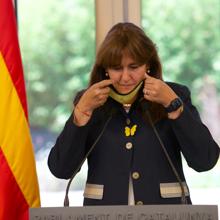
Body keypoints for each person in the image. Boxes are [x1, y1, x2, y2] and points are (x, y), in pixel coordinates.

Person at [48, 22, 220, 206]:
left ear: (148, 65)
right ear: (105, 69)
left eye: (133, 67)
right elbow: (61, 169)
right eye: (116, 68)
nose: (125, 77)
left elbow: (206, 161)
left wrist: (174, 106)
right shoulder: (89, 101)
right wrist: (81, 114)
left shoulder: (175, 95)